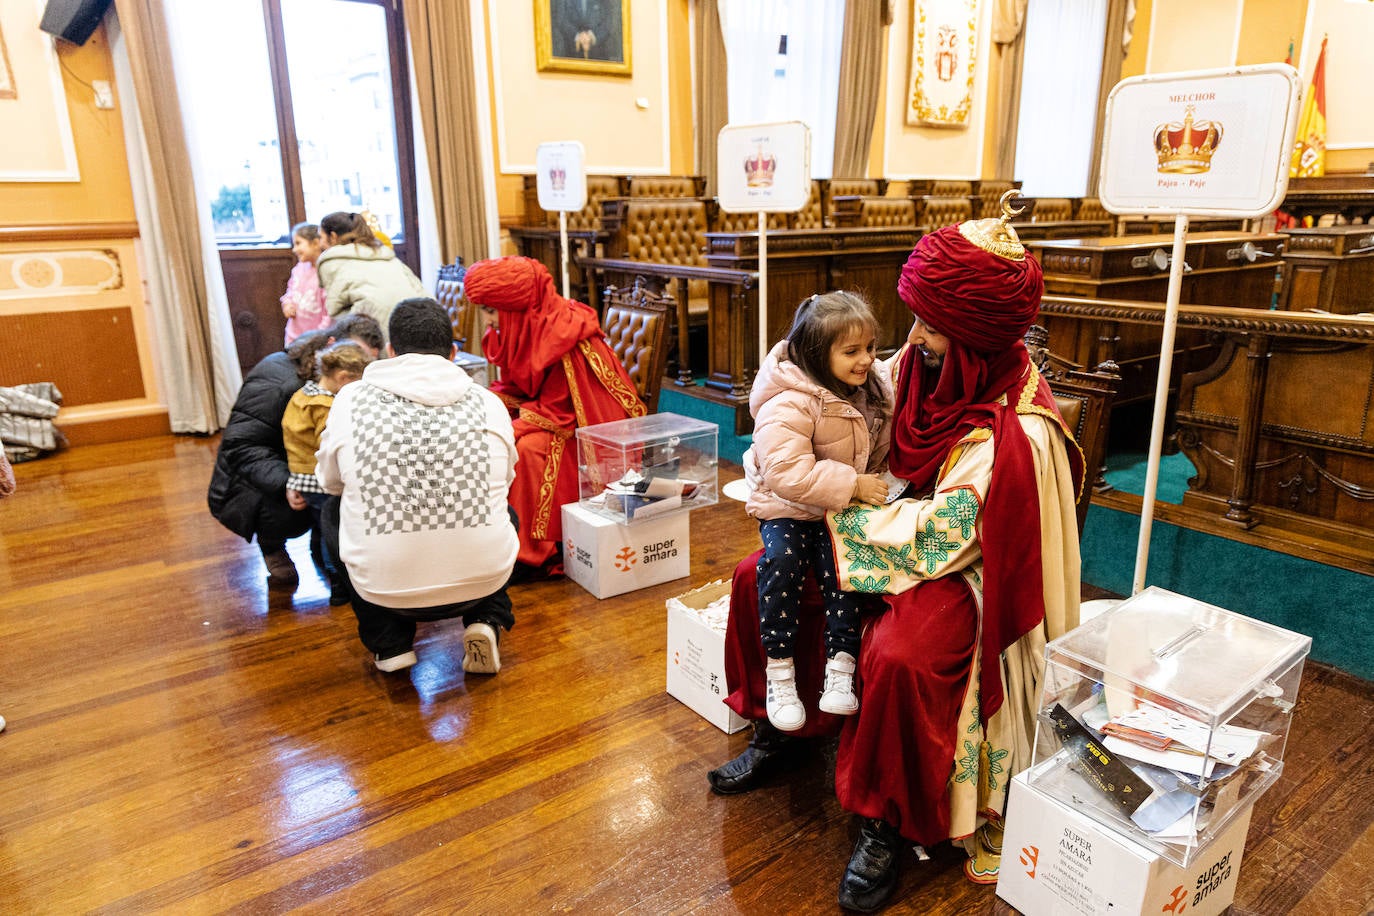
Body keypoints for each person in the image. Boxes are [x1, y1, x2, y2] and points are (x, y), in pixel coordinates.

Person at [709, 209, 1085, 911]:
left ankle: (883, 818)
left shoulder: (1020, 428)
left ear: (972, 338)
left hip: (970, 570)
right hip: (879, 522)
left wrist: (841, 507)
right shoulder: (915, 367)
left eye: (929, 326)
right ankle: (781, 729)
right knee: (754, 576)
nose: (911, 339)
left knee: (902, 654)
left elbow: (947, 536)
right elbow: (826, 393)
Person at [315, 297, 520, 674]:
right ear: (454, 353)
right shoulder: (489, 402)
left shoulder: (350, 399)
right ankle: (486, 620)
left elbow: (328, 482)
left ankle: (389, 644)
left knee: (331, 510)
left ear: (391, 351)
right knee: (504, 511)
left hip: (385, 589)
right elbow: (506, 479)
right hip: (484, 574)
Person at [745, 291, 893, 732]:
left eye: (869, 347)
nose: (866, 359)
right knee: (783, 563)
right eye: (851, 351)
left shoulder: (866, 385)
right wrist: (853, 485)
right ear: (814, 353)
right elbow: (788, 474)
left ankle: (841, 671)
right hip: (788, 507)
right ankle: (780, 673)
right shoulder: (788, 401)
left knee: (844, 569)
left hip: (835, 509)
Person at [462, 256, 646, 576]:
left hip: (588, 426)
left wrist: (510, 425)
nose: (488, 322)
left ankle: (534, 550)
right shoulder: (529, 324)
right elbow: (518, 386)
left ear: (513, 307)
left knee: (526, 451)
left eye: (490, 312)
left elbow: (560, 412)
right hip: (556, 412)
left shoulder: (565, 335)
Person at [207, 314, 384, 589]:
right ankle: (271, 541)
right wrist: (287, 482)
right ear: (332, 344)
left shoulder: (338, 382)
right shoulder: (277, 378)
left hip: (308, 465)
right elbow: (241, 447)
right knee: (310, 508)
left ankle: (326, 555)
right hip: (246, 486)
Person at [282, 340, 373, 605]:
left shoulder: (303, 395)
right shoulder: (326, 406)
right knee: (333, 529)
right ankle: (338, 583)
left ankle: (321, 563)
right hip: (318, 476)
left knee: (320, 525)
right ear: (344, 378)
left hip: (300, 473)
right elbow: (331, 445)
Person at [316, 211, 426, 341]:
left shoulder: (331, 261)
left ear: (333, 237)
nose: (320, 244)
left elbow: (335, 309)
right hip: (421, 323)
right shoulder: (385, 255)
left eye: (321, 237)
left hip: (376, 335)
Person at [281, 222, 331, 345]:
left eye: (298, 243)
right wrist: (287, 304)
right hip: (293, 337)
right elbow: (290, 291)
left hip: (316, 341)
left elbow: (329, 313)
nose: (294, 249)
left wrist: (317, 338)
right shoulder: (299, 268)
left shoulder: (326, 272)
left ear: (315, 243)